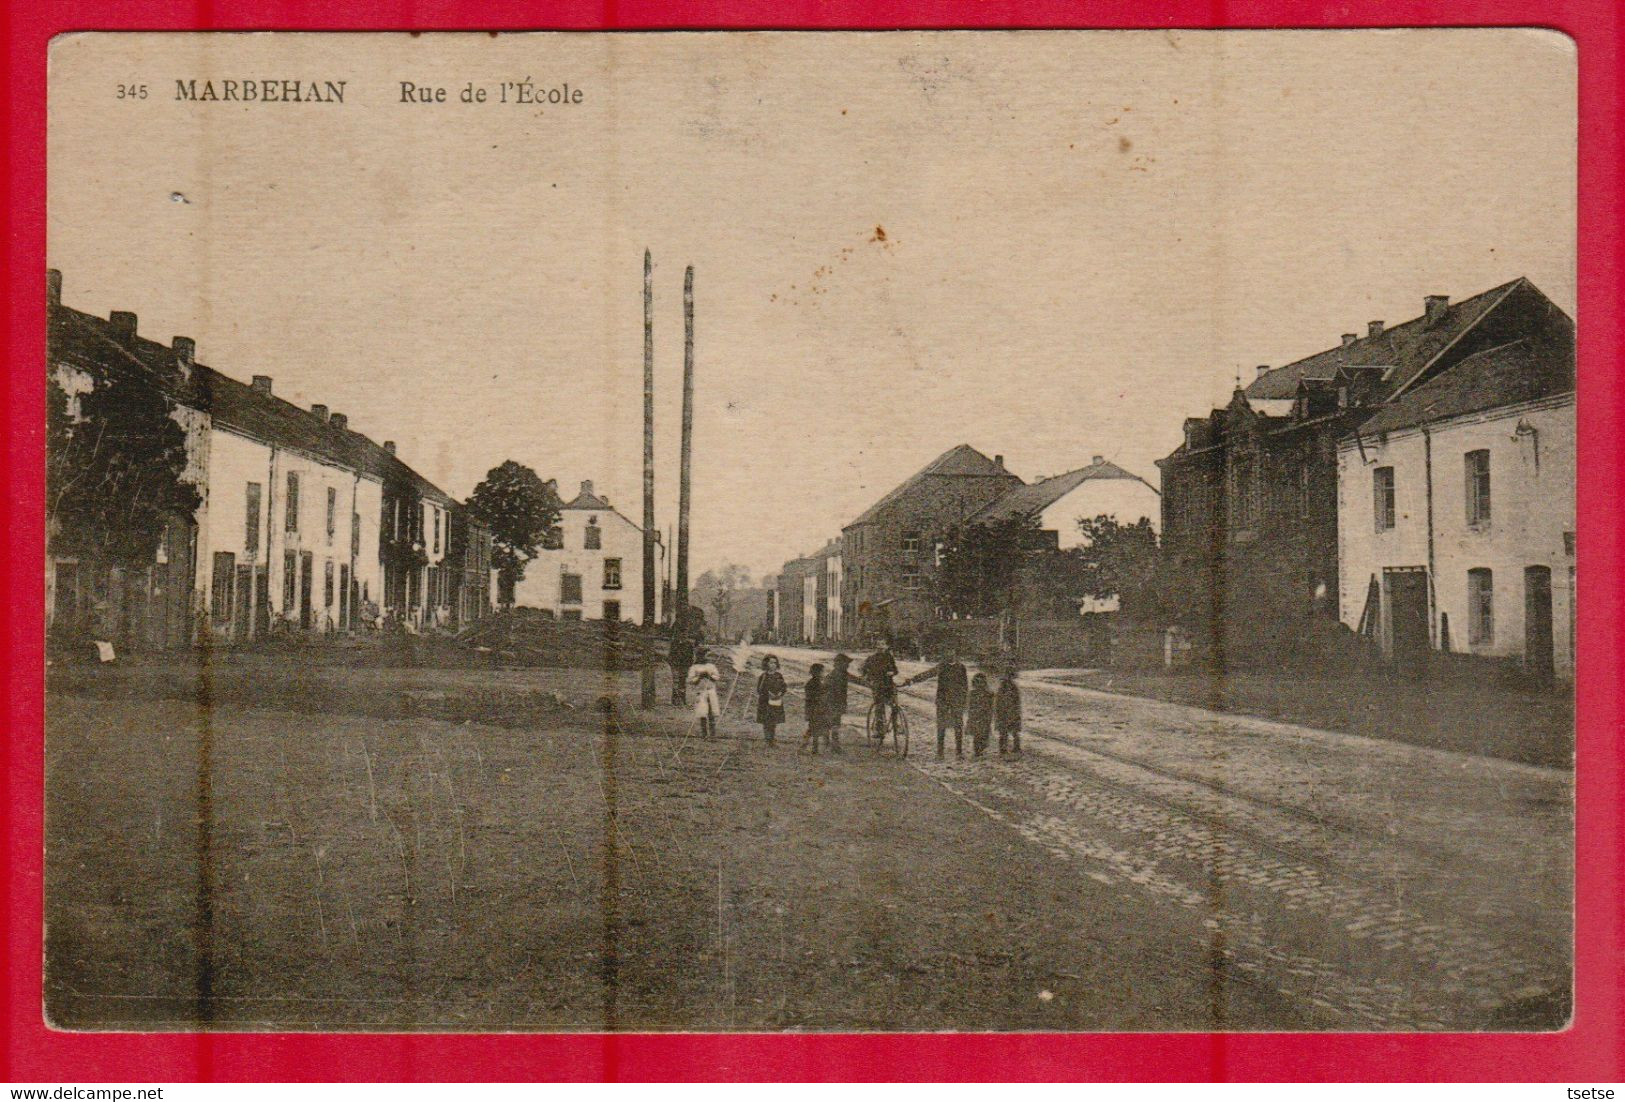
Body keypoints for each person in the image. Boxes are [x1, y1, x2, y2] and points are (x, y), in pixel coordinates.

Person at [903, 646, 969, 759]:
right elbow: (928, 674)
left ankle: (959, 752)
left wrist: (964, 702)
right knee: (941, 726)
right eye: (947, 652)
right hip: (943, 701)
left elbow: (965, 686)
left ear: (956, 654)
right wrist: (913, 679)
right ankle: (940, 753)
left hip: (956, 701)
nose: (950, 654)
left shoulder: (961, 667)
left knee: (958, 726)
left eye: (952, 652)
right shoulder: (942, 666)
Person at [857, 638, 901, 729]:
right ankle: (879, 726)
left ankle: (895, 723)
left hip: (889, 684)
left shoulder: (889, 658)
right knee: (879, 705)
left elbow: (895, 670)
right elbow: (862, 670)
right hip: (877, 685)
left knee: (895, 704)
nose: (880, 647)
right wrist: (867, 678)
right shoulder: (872, 658)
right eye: (878, 645)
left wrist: (892, 673)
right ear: (876, 647)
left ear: (886, 646)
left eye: (883, 644)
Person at [687, 648, 721, 738]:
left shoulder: (711, 666)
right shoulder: (694, 667)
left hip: (710, 691)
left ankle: (713, 734)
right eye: (701, 655)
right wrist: (699, 677)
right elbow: (690, 680)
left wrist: (709, 675)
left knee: (712, 713)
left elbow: (717, 677)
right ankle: (704, 734)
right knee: (703, 713)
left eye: (705, 655)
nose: (704, 657)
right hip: (701, 692)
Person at [755, 654, 788, 746]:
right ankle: (768, 739)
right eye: (771, 663)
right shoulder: (763, 676)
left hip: (776, 701)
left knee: (773, 721)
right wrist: (768, 694)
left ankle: (772, 739)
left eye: (775, 663)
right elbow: (759, 689)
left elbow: (784, 687)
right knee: (766, 721)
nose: (773, 665)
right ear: (766, 664)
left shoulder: (779, 675)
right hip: (765, 703)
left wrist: (780, 693)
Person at [825, 653, 853, 752]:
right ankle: (834, 746)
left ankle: (830, 744)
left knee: (833, 723)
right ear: (839, 663)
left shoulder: (841, 673)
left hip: (837, 702)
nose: (848, 665)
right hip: (833, 702)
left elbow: (855, 679)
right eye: (846, 663)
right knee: (834, 723)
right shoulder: (836, 674)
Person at [966, 672, 994, 758]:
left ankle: (981, 749)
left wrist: (990, 715)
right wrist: (971, 715)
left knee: (984, 734)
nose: (979, 684)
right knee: (976, 735)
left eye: (981, 682)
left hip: (984, 716)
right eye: (977, 682)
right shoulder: (972, 693)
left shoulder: (989, 694)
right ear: (974, 683)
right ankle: (977, 751)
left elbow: (991, 706)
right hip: (975, 716)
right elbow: (970, 706)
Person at [668, 622, 696, 706]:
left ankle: (682, 700)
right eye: (682, 633)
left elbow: (691, 656)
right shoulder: (675, 643)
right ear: (679, 634)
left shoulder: (689, 645)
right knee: (676, 682)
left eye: (686, 633)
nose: (684, 635)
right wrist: (672, 665)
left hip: (685, 666)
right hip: (676, 665)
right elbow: (670, 655)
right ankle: (675, 701)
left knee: (683, 682)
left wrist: (689, 665)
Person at [802, 663, 828, 754]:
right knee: (813, 729)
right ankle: (808, 747)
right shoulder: (814, 683)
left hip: (815, 709)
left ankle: (811, 748)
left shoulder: (814, 682)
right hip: (814, 709)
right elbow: (812, 697)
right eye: (822, 672)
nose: (824, 674)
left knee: (813, 729)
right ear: (817, 673)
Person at [995, 668, 1022, 755]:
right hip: (1004, 711)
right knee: (1004, 732)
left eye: (1010, 676)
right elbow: (998, 700)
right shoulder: (1002, 687)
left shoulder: (1013, 687)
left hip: (1011, 711)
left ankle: (1016, 747)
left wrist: (1016, 711)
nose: (1008, 678)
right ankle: (1003, 748)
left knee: (1013, 731)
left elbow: (1017, 701)